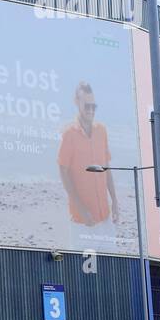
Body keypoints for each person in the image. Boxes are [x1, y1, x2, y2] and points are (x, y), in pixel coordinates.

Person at [57, 81, 119, 248]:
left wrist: (114, 201)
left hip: (105, 219)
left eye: (94, 106)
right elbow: (63, 172)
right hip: (81, 223)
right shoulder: (69, 134)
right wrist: (81, 209)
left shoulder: (102, 131)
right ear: (77, 103)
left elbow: (106, 168)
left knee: (112, 268)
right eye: (87, 106)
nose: (91, 110)